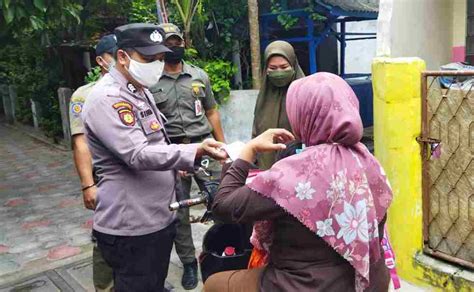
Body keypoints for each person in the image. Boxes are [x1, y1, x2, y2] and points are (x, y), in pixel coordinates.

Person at [205, 73, 393, 292]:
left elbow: (223, 206)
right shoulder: (367, 160)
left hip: (304, 285)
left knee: (214, 284)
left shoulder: (296, 173)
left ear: (305, 115)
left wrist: (249, 150)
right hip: (369, 280)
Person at [82, 23, 227, 292]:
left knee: (152, 282)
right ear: (123, 56)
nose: (157, 65)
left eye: (160, 58)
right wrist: (194, 150)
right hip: (133, 225)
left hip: (156, 216)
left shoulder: (138, 89)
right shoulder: (108, 98)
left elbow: (157, 141)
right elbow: (136, 154)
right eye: (149, 59)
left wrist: (176, 167)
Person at [150, 23, 225, 290]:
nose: (174, 47)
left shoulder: (198, 76)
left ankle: (225, 247)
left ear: (184, 43)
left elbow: (212, 111)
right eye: (168, 44)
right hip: (173, 152)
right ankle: (189, 263)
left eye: (177, 42)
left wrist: (222, 146)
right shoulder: (151, 81)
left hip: (204, 149)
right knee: (179, 211)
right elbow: (151, 125)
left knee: (221, 199)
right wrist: (172, 157)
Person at [69, 34, 116, 292]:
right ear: (101, 61)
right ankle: (106, 287)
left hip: (138, 181)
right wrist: (88, 185)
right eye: (116, 54)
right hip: (106, 180)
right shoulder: (84, 95)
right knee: (106, 238)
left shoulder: (139, 90)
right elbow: (81, 143)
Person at [252, 40, 304, 170]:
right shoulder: (264, 98)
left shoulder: (305, 94)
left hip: (299, 167)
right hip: (268, 167)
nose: (279, 72)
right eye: (273, 68)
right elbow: (256, 131)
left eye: (284, 67)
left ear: (293, 65)